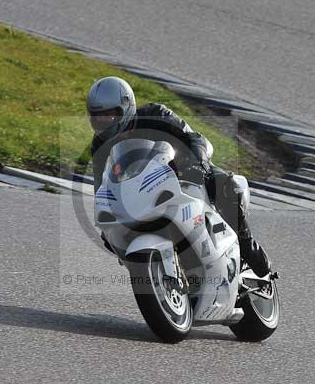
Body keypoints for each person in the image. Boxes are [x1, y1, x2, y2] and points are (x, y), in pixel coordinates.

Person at [86, 76, 271, 277]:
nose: (104, 122)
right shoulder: (99, 145)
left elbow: (195, 138)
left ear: (126, 106)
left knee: (226, 185)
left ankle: (246, 245)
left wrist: (196, 164)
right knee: (114, 235)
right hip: (142, 192)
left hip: (183, 173)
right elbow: (102, 185)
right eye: (97, 117)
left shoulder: (156, 115)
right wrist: (106, 217)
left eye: (110, 115)